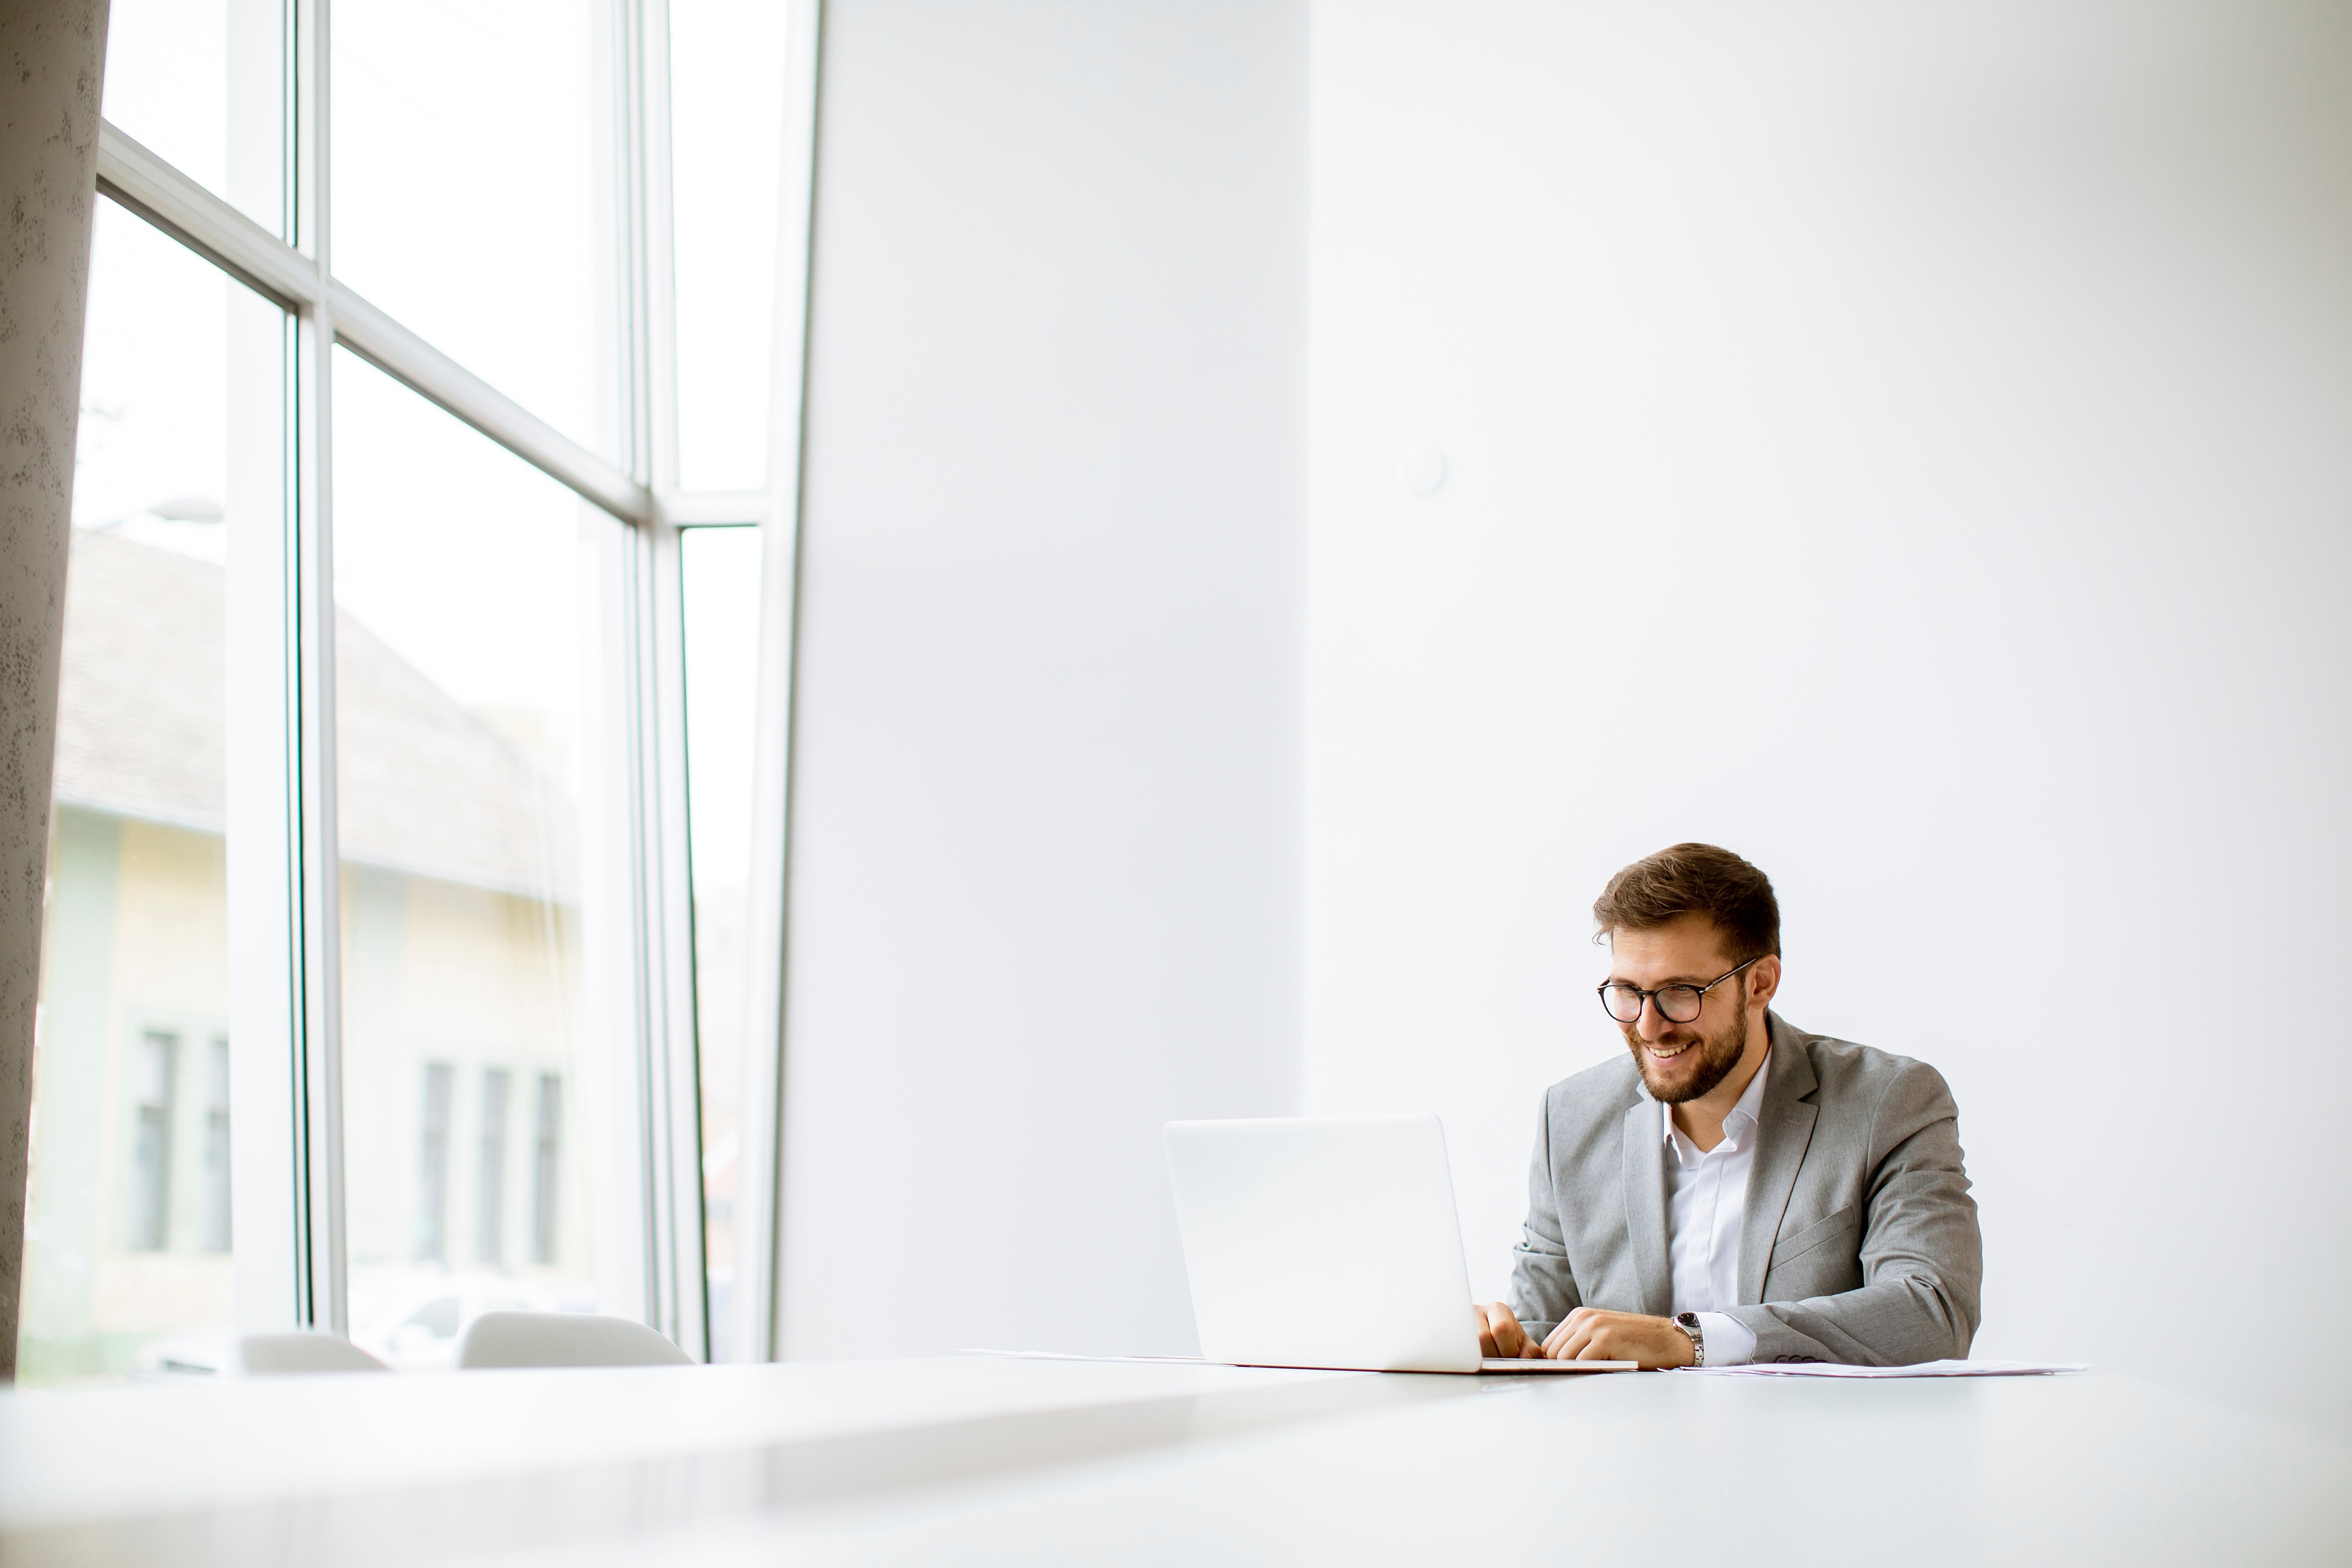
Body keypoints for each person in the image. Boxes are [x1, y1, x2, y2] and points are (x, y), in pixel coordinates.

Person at [1474, 844, 1981, 1368]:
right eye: (1628, 992)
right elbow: (1539, 1339)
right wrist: (1491, 1341)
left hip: (1819, 1446)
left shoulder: (1888, 1102)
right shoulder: (1572, 1116)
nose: (1649, 1027)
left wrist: (1690, 1341)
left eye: (1681, 991)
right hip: (1625, 1448)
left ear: (1759, 983)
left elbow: (1933, 1313)